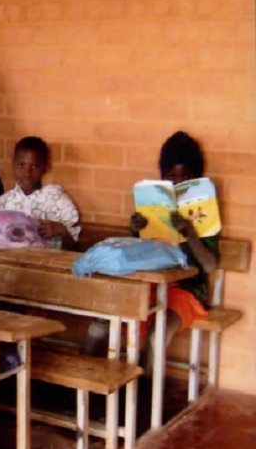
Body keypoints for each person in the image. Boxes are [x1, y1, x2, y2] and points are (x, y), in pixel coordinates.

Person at [85, 131, 219, 371]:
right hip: (152, 286)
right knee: (102, 318)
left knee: (157, 332)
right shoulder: (155, 206)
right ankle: (84, 382)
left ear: (196, 178)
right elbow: (138, 255)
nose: (177, 183)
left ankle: (147, 395)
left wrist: (190, 232)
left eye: (185, 176)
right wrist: (135, 232)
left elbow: (209, 266)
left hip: (187, 291)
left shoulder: (204, 215)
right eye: (171, 177)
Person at [0, 136, 81, 249]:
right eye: (21, 165)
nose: (27, 173)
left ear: (45, 167)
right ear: (13, 165)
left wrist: (62, 231)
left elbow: (74, 249)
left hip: (45, 263)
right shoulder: (5, 201)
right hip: (11, 262)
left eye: (35, 166)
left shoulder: (58, 201)